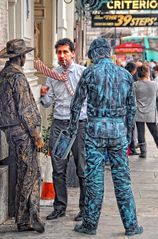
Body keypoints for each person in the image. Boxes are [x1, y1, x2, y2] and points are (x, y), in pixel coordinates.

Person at [68, 37, 143, 236]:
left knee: (94, 179)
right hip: (117, 131)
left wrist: (70, 130)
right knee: (122, 180)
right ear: (108, 53)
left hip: (95, 131)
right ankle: (131, 225)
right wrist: (127, 134)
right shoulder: (125, 75)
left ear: (94, 54)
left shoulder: (89, 73)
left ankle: (90, 225)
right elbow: (132, 109)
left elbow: (76, 106)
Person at [39, 38, 87, 221]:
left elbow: (90, 99)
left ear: (72, 53)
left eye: (66, 52)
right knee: (58, 168)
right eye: (59, 52)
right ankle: (59, 207)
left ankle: (84, 208)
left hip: (79, 124)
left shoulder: (82, 73)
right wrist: (43, 95)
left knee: (82, 168)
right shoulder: (52, 75)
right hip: (59, 124)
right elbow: (48, 102)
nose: (62, 56)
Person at [0, 39, 45, 233]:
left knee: (24, 172)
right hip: (22, 132)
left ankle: (23, 216)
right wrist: (36, 136)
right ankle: (29, 216)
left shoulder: (3, 75)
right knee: (31, 174)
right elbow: (25, 110)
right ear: (20, 57)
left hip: (10, 131)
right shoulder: (17, 77)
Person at [134, 64, 158, 158]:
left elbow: (132, 98)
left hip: (138, 112)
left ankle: (143, 152)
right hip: (151, 112)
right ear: (147, 72)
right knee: (155, 132)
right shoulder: (154, 85)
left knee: (140, 133)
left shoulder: (135, 85)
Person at [125, 62, 139, 156]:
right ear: (133, 70)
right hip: (128, 110)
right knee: (130, 129)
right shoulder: (129, 78)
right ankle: (131, 149)